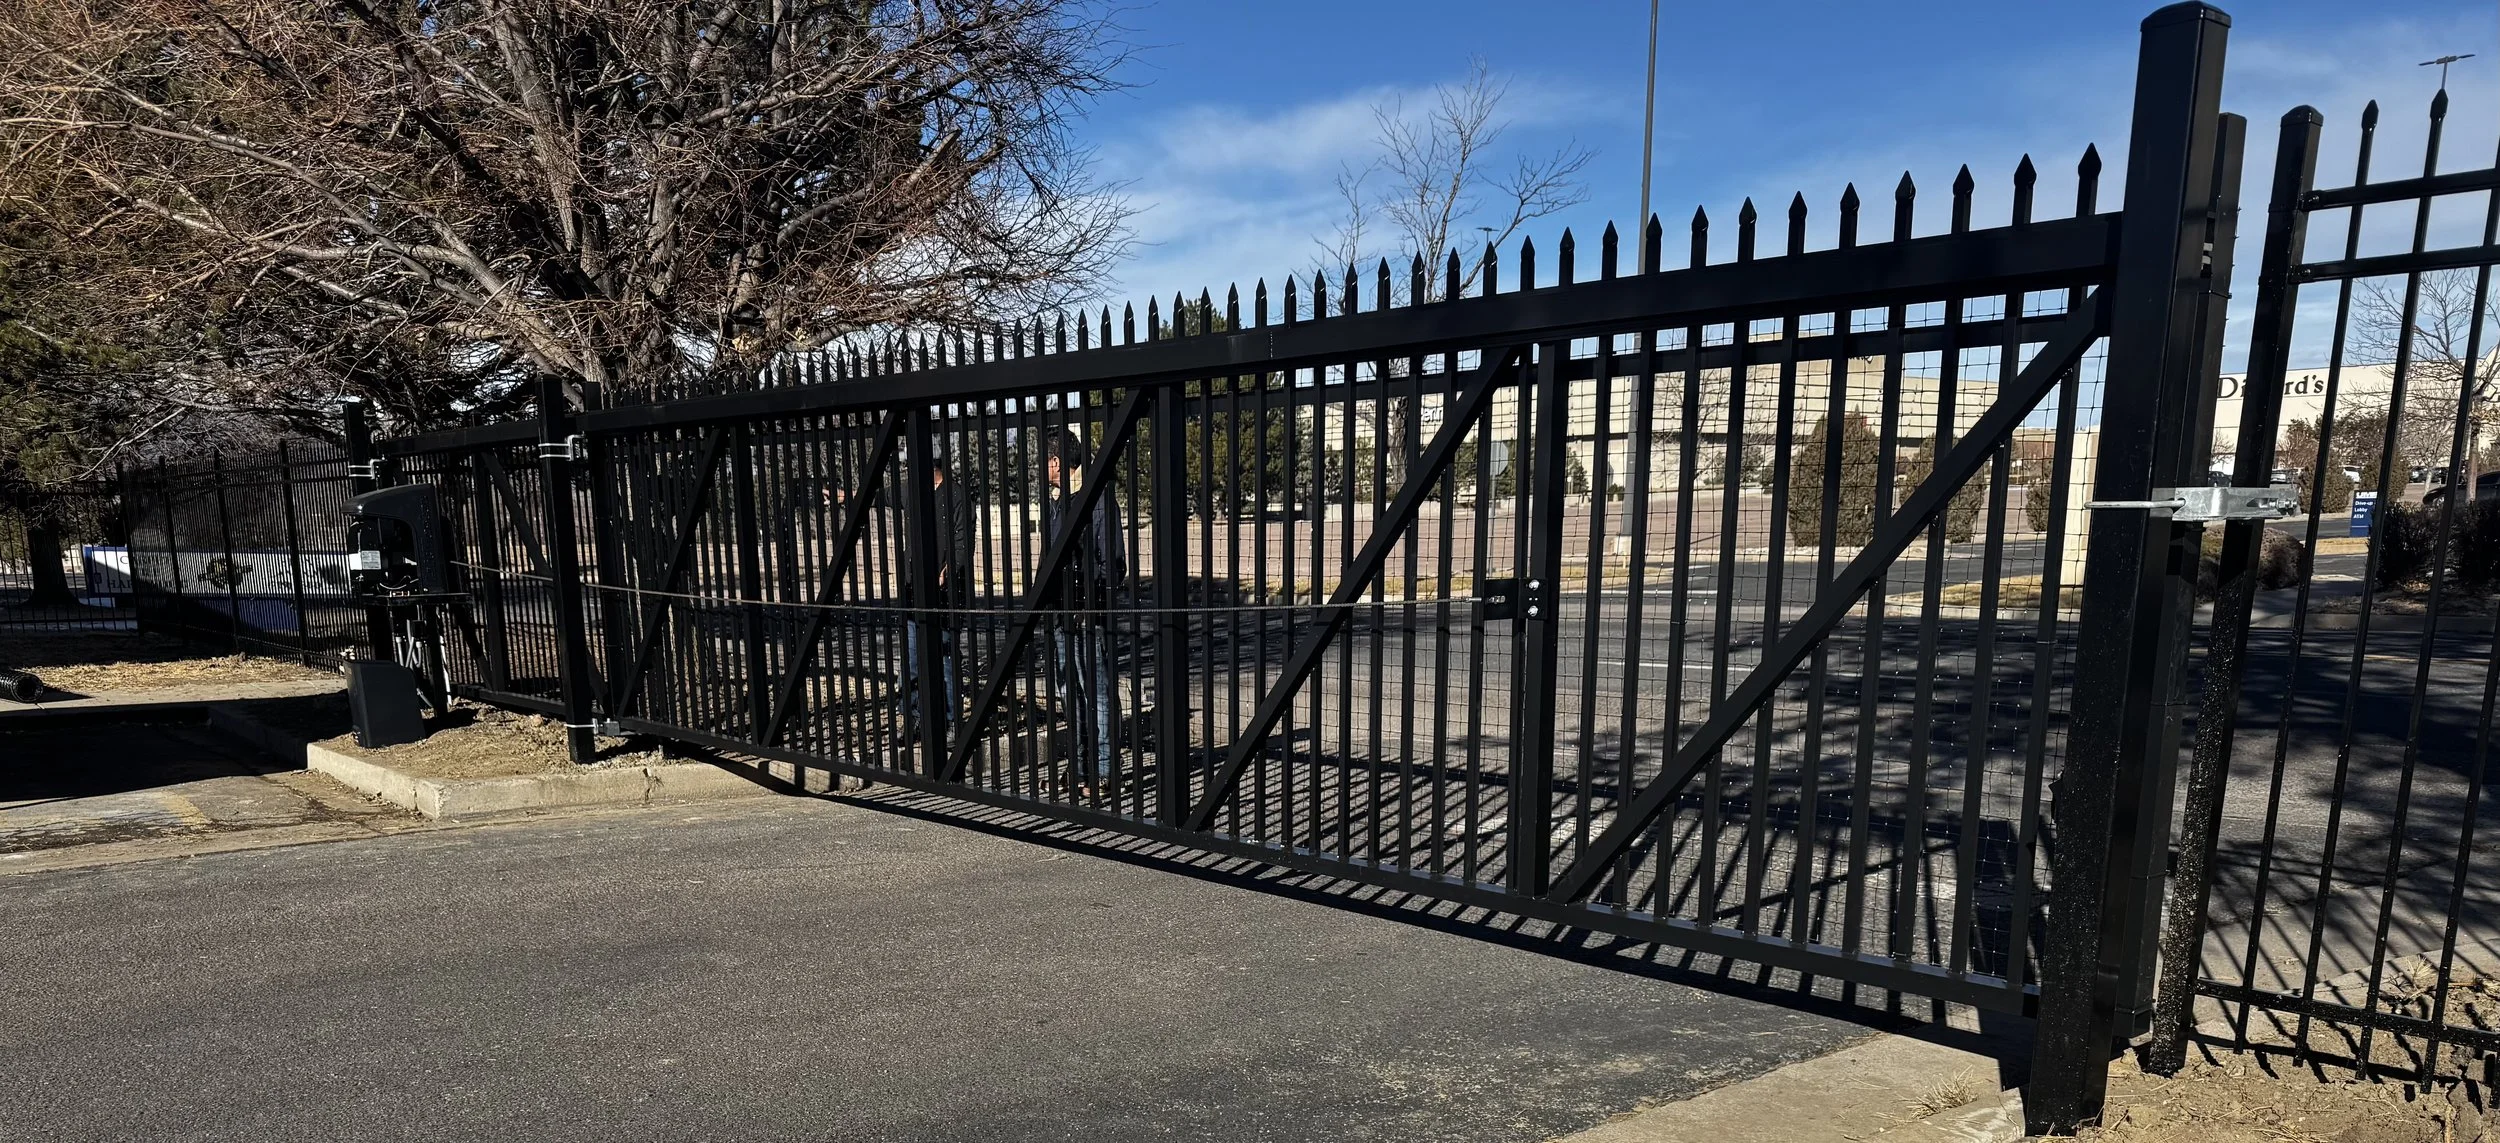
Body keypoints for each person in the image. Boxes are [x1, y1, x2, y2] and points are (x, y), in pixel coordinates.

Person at [1041, 427, 1124, 794]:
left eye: (1045, 459)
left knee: (1098, 693)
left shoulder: (1100, 498)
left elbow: (1113, 565)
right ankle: (1078, 767)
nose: (1043, 466)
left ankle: (1104, 771)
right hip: (1061, 616)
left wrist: (1089, 602)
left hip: (1088, 615)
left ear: (1057, 461)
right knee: (1068, 691)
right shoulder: (1055, 503)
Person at [898, 450, 970, 748]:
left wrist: (949, 569)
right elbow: (880, 496)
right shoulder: (911, 493)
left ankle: (952, 722)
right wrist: (847, 495)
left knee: (946, 659)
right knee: (913, 659)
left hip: (946, 595)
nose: (907, 473)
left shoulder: (956, 496)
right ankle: (914, 717)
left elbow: (963, 541)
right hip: (914, 592)